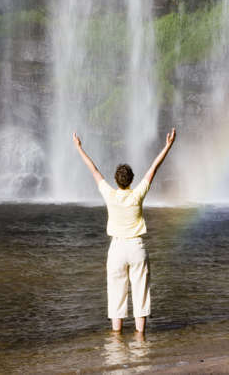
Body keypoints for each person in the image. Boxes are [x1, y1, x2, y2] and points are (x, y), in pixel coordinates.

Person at [73, 128, 176, 334]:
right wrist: (168, 146)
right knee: (140, 292)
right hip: (137, 246)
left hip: (117, 247)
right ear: (131, 179)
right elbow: (153, 168)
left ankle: (117, 341)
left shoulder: (109, 194)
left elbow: (93, 170)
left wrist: (79, 148)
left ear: (116, 180)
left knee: (116, 293)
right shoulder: (137, 194)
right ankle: (140, 339)